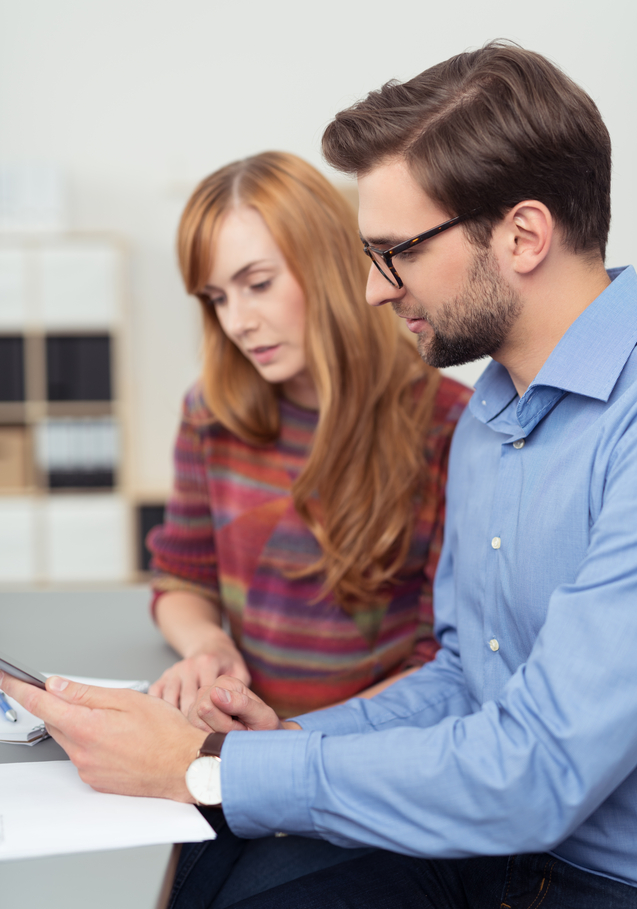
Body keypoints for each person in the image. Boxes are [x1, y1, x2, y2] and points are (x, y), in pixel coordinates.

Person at [4, 42, 637, 909]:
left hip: (599, 877)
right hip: (487, 847)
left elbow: (535, 773)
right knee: (210, 877)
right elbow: (466, 677)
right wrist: (274, 736)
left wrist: (212, 767)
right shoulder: (497, 415)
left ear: (523, 235)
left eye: (396, 252)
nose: (372, 290)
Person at [146, 151, 470, 721]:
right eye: (217, 298)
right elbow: (181, 577)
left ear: (329, 267)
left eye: (259, 284)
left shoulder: (448, 425)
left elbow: (441, 659)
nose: (237, 321)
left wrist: (288, 742)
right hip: (244, 742)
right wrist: (207, 643)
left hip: (364, 757)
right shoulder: (211, 412)